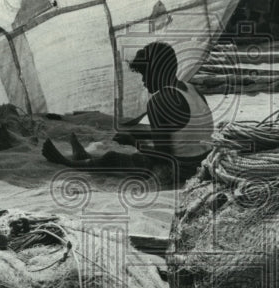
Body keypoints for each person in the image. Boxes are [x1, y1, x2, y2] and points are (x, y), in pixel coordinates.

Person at [42, 41, 213, 186]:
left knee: (114, 158)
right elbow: (179, 130)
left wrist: (133, 142)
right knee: (133, 153)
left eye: (145, 75)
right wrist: (135, 131)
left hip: (182, 170)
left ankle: (68, 163)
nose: (144, 82)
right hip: (205, 161)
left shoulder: (159, 101)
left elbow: (164, 157)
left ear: (156, 72)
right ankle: (85, 159)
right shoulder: (192, 89)